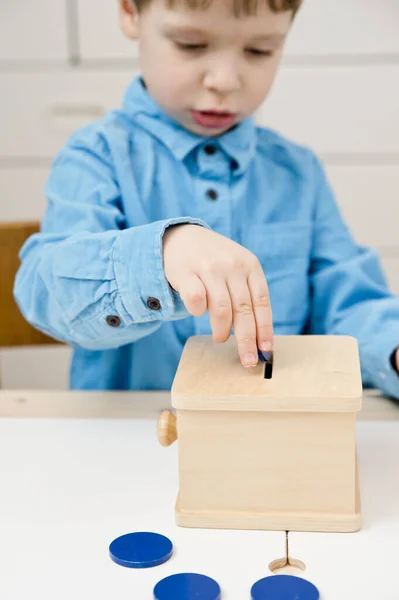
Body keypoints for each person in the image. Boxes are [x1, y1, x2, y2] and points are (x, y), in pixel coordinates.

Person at [14, 0, 399, 397]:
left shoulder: (298, 172)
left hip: (269, 438)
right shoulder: (96, 156)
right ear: (131, 13)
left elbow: (351, 303)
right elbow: (46, 292)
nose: (224, 80)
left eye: (259, 51)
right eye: (190, 44)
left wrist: (394, 348)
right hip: (131, 440)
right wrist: (157, 256)